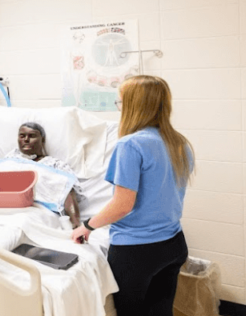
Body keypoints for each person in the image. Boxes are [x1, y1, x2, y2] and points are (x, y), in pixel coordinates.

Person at [72, 75, 194, 316]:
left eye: (120, 103)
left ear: (133, 106)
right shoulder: (180, 143)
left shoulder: (130, 145)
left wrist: (86, 227)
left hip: (137, 252)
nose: (119, 108)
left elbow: (122, 205)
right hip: (174, 245)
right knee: (160, 312)